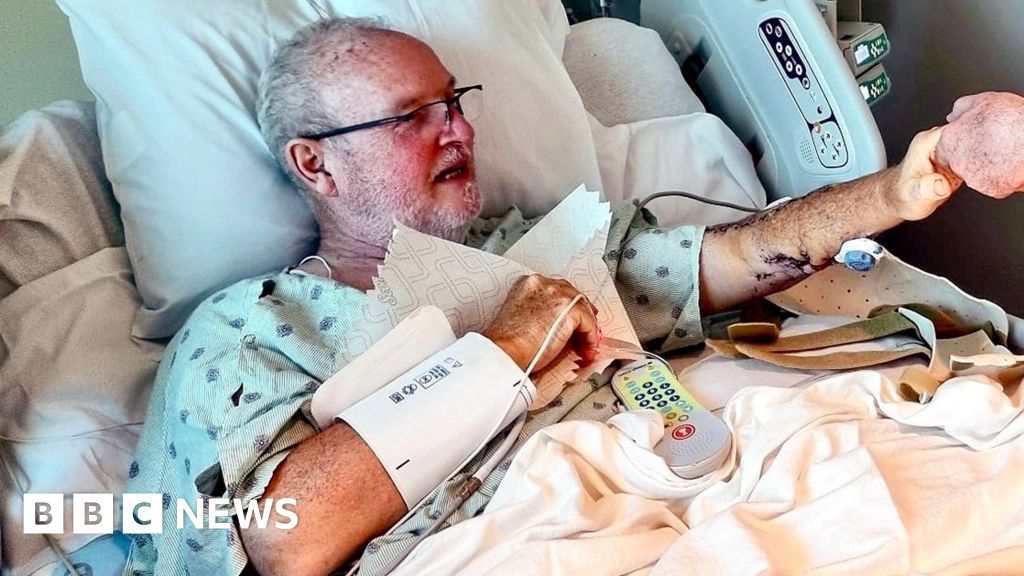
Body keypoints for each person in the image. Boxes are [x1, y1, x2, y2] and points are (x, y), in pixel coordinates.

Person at [123, 17, 965, 576]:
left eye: (454, 102)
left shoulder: (539, 246)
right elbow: (291, 539)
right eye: (412, 117)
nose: (459, 129)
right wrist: (506, 347)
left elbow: (740, 255)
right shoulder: (251, 328)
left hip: (699, 492)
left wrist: (903, 187)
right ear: (315, 164)